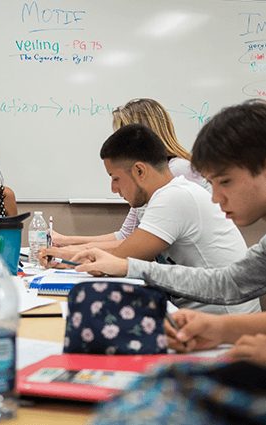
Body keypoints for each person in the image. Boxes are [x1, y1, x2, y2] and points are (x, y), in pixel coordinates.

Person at [71, 99, 266, 365]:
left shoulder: (175, 195)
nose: (216, 198)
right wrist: (218, 328)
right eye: (212, 183)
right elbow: (228, 283)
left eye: (225, 182)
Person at [50, 123, 260, 314]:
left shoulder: (174, 197)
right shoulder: (164, 196)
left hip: (220, 324)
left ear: (140, 170)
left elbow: (121, 257)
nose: (113, 189)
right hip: (200, 318)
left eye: (115, 179)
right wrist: (69, 254)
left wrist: (65, 255)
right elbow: (126, 251)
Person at [50, 98, 211, 255]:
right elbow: (126, 235)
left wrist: (70, 253)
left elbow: (132, 248)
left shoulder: (175, 173)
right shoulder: (149, 181)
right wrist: (65, 243)